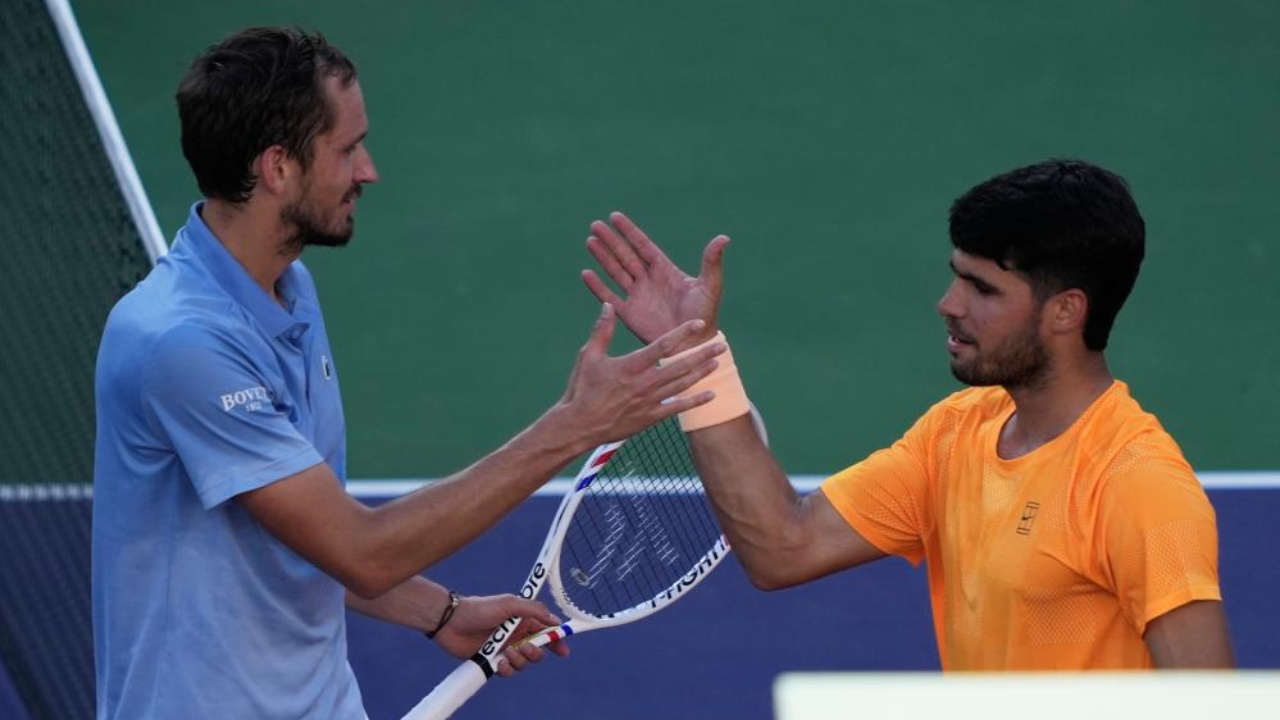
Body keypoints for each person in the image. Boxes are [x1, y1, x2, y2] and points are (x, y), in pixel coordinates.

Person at [92, 27, 725, 720]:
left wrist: (441, 612)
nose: (368, 171)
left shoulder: (289, 289)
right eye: (347, 149)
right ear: (278, 167)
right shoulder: (181, 342)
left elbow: (298, 535)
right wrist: (575, 426)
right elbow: (358, 552)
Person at [580, 159, 1234, 669]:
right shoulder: (957, 433)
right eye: (957, 276)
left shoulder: (1137, 485)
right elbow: (784, 547)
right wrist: (697, 359)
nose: (948, 304)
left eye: (982, 288)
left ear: (1066, 310)